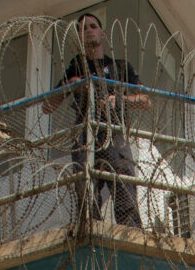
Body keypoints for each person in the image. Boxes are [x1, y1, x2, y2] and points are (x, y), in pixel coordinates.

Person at [44, 12, 152, 229]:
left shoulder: (119, 68)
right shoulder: (76, 68)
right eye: (83, 29)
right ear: (79, 38)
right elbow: (47, 106)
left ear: (102, 33)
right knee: (87, 191)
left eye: (93, 26)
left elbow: (146, 101)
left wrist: (119, 99)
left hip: (114, 134)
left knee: (124, 187)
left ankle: (130, 234)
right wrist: (72, 84)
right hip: (86, 135)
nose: (88, 30)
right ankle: (91, 229)